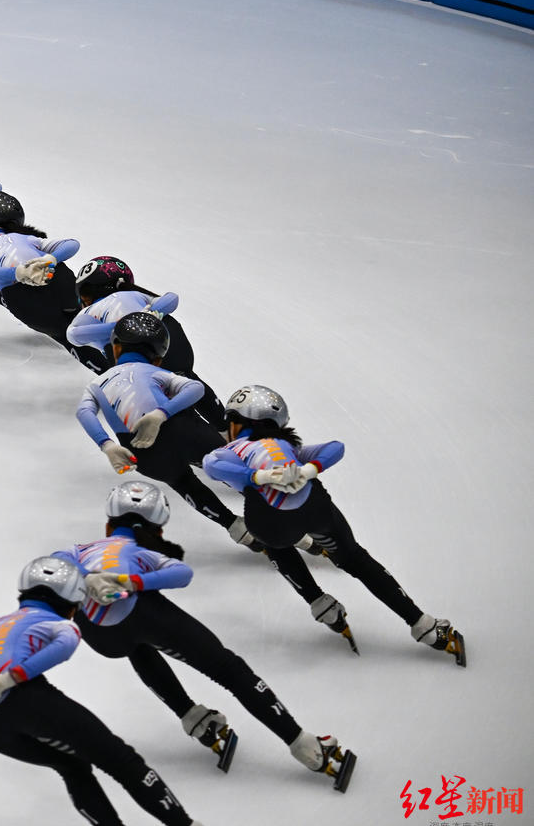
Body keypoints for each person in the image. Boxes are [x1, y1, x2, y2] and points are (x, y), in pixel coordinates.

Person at [59, 481, 356, 790]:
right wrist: (130, 581)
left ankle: (192, 717)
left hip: (100, 636)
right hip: (139, 613)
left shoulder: (79, 550)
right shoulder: (135, 549)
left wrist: (88, 577)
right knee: (229, 669)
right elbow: (179, 574)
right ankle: (304, 746)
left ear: (109, 523)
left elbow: (49, 568)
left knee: (137, 646)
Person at [0, 556, 237, 826]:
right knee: (120, 760)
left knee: (71, 765)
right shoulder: (56, 622)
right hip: (26, 699)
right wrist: (8, 679)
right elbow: (65, 645)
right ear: (71, 604)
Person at [202, 385, 465, 665]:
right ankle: (425, 626)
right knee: (355, 559)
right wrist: (308, 469)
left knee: (274, 545)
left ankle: (320, 603)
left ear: (239, 423)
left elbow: (211, 463)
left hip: (271, 522)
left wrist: (260, 477)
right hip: (315, 509)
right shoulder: (289, 447)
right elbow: (335, 447)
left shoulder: (235, 449)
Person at [75, 312, 251, 546]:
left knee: (183, 482)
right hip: (183, 430)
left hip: (141, 451)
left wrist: (107, 446)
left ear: (116, 349)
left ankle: (234, 526)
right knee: (235, 468)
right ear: (157, 358)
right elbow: (195, 389)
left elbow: (84, 413)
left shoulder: (97, 384)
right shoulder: (153, 371)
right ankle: (277, 505)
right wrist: (160, 414)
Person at [66, 259, 225, 426]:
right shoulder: (134, 294)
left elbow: (73, 335)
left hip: (132, 360)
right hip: (168, 345)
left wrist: (119, 326)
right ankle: (223, 426)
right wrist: (148, 314)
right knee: (187, 378)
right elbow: (171, 299)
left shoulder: (88, 312)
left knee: (163, 397)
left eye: (85, 296)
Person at [0, 192, 81, 343]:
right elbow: (72, 244)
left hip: (27, 304)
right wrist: (51, 259)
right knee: (56, 266)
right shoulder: (25, 238)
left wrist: (18, 273)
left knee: (64, 334)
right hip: (63, 286)